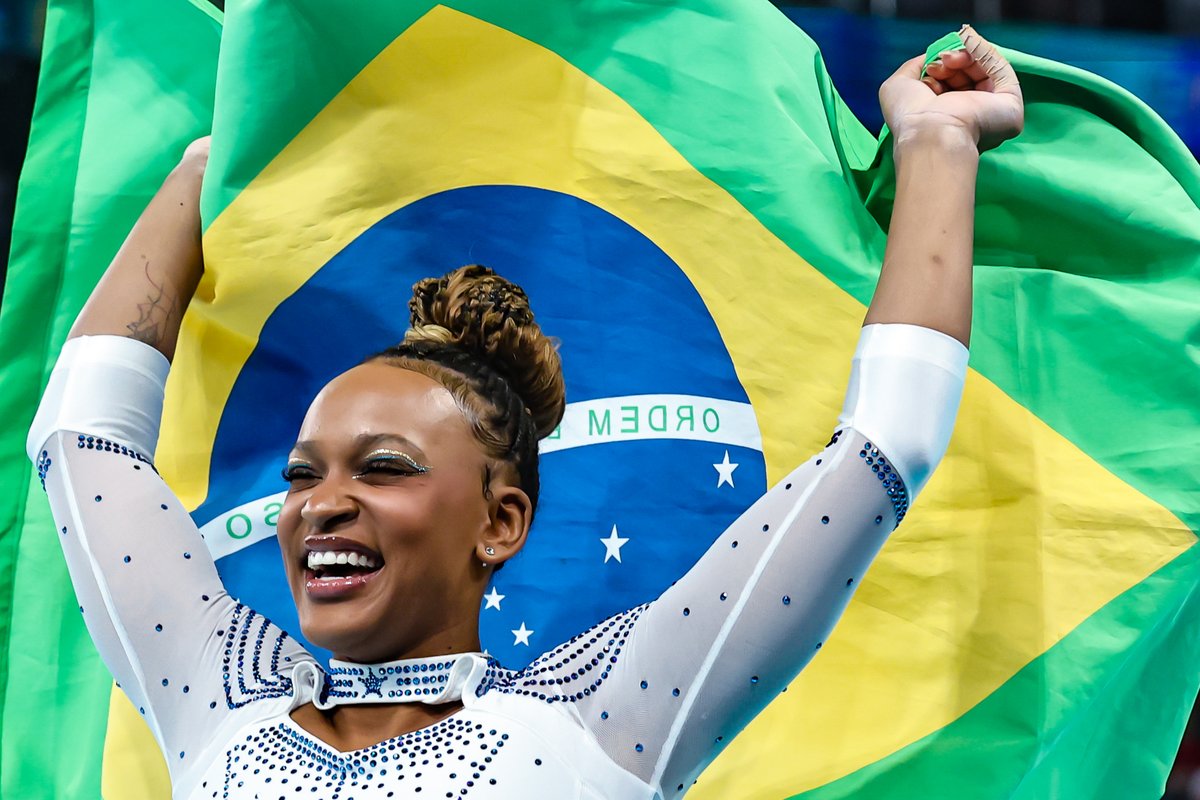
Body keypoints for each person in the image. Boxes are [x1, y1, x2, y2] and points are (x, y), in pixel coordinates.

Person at [26, 26, 1022, 800]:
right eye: (303, 472)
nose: (320, 504)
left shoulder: (610, 714)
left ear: (501, 520)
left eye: (382, 466)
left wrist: (938, 143)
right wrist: (221, 159)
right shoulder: (214, 693)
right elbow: (80, 437)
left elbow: (884, 445)